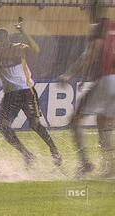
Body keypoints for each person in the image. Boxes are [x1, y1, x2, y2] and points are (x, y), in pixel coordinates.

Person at [0, 18, 62, 168]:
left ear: (8, 40)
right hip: (10, 94)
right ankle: (27, 155)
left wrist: (22, 31)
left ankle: (54, 150)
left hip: (26, 91)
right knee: (3, 126)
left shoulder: (17, 48)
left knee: (35, 124)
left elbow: (36, 49)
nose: (2, 44)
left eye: (4, 40)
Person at [59, 2, 114, 178]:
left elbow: (90, 55)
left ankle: (85, 163)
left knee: (75, 120)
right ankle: (109, 166)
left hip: (106, 80)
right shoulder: (113, 25)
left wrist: (69, 75)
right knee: (103, 123)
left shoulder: (98, 27)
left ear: (92, 10)